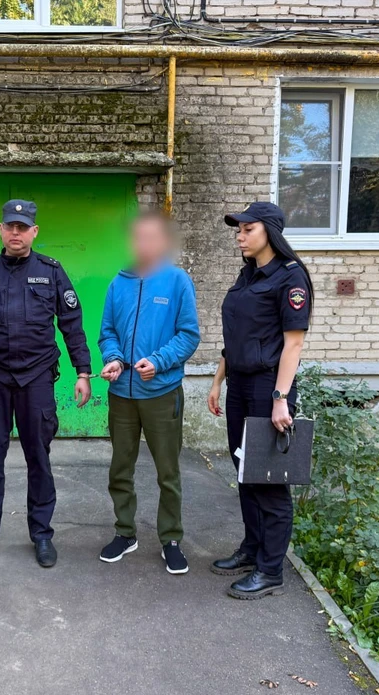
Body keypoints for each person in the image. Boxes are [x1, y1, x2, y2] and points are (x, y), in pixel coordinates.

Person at [0, 199, 92, 569]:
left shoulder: (51, 271)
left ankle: (42, 534)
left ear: (34, 231)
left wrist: (82, 372)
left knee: (39, 459)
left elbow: (72, 324)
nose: (15, 233)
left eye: (23, 227)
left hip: (36, 378)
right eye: (10, 226)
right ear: (1, 230)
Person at [206, 201, 313, 600]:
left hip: (269, 386)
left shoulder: (290, 277)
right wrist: (217, 382)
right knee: (245, 472)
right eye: (239, 229)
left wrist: (280, 398)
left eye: (247, 229)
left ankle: (271, 570)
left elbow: (293, 343)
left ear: (270, 232)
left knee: (269, 480)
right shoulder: (248, 275)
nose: (240, 236)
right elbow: (235, 336)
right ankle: (252, 549)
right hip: (239, 384)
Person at [98, 213, 200, 574]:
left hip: (161, 392)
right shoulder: (118, 283)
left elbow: (189, 335)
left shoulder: (177, 281)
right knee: (119, 469)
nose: (144, 244)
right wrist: (113, 359)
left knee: (167, 472)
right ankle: (125, 533)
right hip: (122, 395)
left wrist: (158, 361)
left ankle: (171, 539)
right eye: (138, 237)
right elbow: (107, 331)